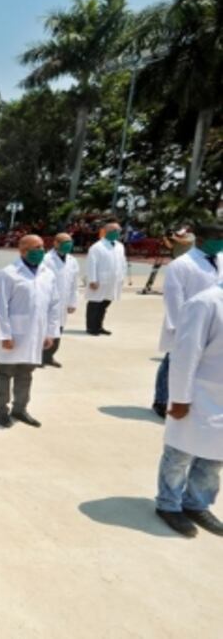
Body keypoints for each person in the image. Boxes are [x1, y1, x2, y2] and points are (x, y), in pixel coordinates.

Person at [155, 284, 223, 538]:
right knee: (179, 453)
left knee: (215, 457)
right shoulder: (205, 303)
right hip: (200, 393)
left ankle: (197, 504)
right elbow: (185, 354)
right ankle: (168, 504)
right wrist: (180, 398)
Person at [153, 222, 223, 417]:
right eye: (217, 239)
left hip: (215, 321)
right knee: (174, 362)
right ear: (200, 240)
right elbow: (173, 298)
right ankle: (162, 399)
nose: (221, 242)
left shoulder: (220, 259)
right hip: (188, 322)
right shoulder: (181, 265)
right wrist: (180, 327)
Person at [0, 235, 61, 428]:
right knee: (5, 373)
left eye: (42, 246)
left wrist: (50, 332)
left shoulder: (48, 273)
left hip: (36, 334)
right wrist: (5, 335)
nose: (41, 250)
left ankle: (20, 409)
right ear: (23, 250)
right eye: (36, 247)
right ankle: (2, 410)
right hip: (14, 334)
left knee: (26, 373)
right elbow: (1, 308)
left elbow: (54, 304)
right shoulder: (8, 274)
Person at [41, 233, 80, 368]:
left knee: (58, 330)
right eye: (64, 242)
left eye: (70, 242)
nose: (68, 245)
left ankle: (49, 356)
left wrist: (73, 302)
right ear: (56, 243)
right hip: (48, 301)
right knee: (44, 329)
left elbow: (74, 283)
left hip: (63, 302)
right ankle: (38, 357)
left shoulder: (72, 260)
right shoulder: (46, 259)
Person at [85, 220, 126, 336]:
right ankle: (91, 327)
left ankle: (99, 326)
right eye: (115, 230)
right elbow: (91, 264)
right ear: (107, 231)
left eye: (119, 230)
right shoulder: (97, 247)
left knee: (105, 304)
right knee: (95, 303)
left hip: (113, 280)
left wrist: (122, 276)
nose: (117, 232)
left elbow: (122, 262)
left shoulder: (120, 246)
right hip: (100, 280)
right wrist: (92, 280)